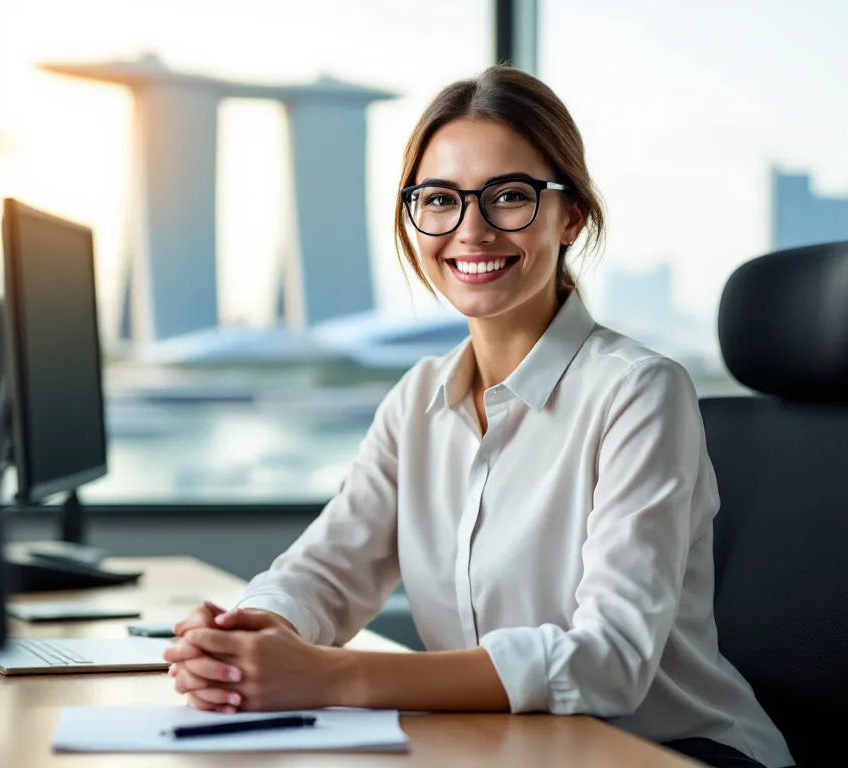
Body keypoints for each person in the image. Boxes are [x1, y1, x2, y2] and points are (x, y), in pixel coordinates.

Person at [162, 65, 793, 768]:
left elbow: (608, 661)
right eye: (439, 200)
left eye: (510, 197)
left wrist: (329, 675)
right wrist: (246, 637)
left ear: (571, 214)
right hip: (512, 751)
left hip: (673, 752)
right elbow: (328, 573)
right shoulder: (418, 400)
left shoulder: (639, 392)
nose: (472, 230)